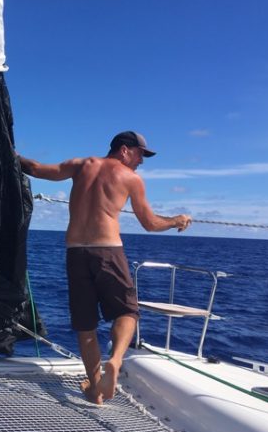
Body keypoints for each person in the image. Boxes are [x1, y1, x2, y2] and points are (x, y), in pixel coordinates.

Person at [19, 131, 192, 404]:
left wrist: (9, 153)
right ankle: (115, 360)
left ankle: (95, 388)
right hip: (108, 251)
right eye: (139, 155)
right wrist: (176, 220)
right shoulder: (131, 179)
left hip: (75, 252)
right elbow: (150, 223)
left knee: (85, 324)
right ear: (124, 150)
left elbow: (36, 169)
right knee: (127, 311)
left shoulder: (82, 165)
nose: (140, 162)